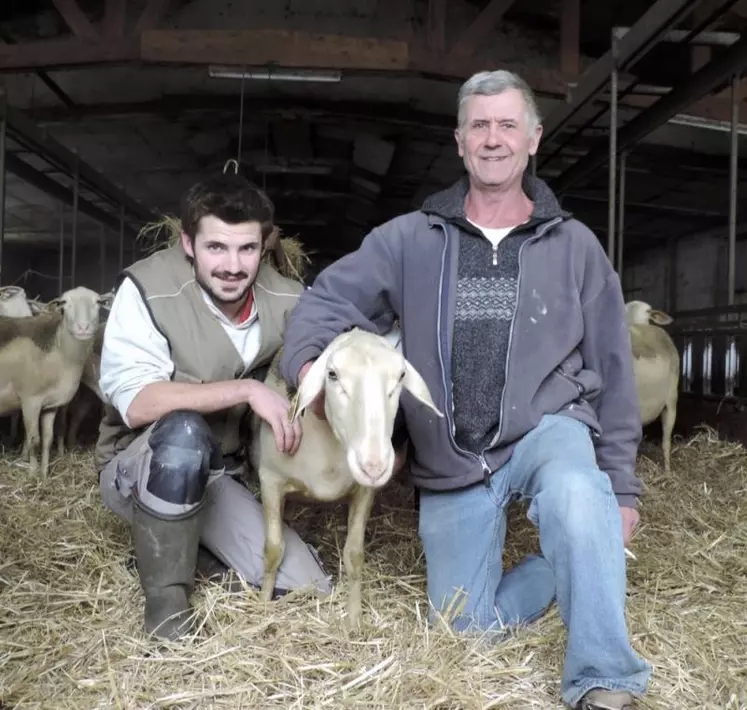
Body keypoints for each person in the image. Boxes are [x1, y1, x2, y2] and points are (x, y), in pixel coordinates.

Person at [277, 70, 652, 710]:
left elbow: (613, 370)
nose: (494, 138)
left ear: (533, 139)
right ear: (459, 141)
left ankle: (604, 678)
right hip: (452, 458)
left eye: (508, 124)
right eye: (480, 125)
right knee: (463, 629)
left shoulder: (576, 246)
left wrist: (620, 487)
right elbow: (323, 303)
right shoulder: (408, 239)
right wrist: (311, 374)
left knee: (577, 490)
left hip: (546, 428)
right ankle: (573, 571)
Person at [94, 173, 331, 641]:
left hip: (223, 473)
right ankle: (167, 616)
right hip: (141, 462)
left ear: (264, 246)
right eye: (216, 248)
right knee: (183, 432)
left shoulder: (287, 297)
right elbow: (140, 404)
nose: (232, 265)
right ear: (188, 242)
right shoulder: (148, 290)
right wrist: (246, 392)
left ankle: (170, 551)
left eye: (246, 249)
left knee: (307, 586)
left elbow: (331, 353)